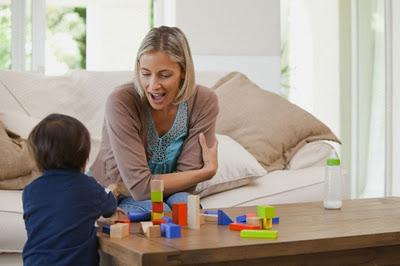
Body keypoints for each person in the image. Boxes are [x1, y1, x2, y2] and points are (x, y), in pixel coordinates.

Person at [90, 26, 219, 213]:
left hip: (171, 193)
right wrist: (205, 172)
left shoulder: (204, 101)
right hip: (117, 194)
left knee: (185, 205)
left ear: (183, 71)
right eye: (145, 74)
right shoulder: (121, 101)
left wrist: (187, 178)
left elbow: (187, 185)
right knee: (160, 212)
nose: (153, 86)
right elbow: (141, 189)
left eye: (164, 75)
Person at [22, 113, 117, 266]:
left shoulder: (29, 191)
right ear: (83, 156)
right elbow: (110, 206)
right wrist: (112, 190)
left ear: (38, 158)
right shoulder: (88, 186)